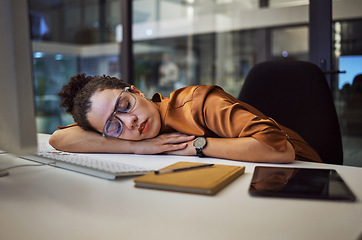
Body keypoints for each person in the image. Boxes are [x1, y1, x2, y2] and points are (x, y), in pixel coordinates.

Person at [49, 73, 322, 163]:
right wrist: (136, 146)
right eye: (112, 125)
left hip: (301, 172)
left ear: (136, 91)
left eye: (124, 105)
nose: (128, 121)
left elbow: (280, 150)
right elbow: (60, 138)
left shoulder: (199, 103)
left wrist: (195, 146)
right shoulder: (133, 134)